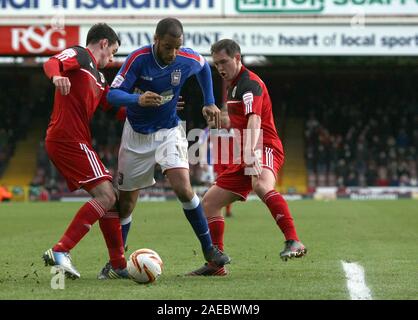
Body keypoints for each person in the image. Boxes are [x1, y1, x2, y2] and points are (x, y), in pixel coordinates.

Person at [105, 17, 230, 275]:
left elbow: (204, 68)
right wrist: (137, 99)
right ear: (156, 40)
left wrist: (209, 100)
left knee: (183, 188)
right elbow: (112, 94)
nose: (173, 53)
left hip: (169, 130)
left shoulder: (186, 58)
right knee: (126, 204)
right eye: (167, 47)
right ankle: (117, 262)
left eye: (177, 47)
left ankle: (209, 249)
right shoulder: (138, 59)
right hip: (136, 135)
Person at [189, 39, 307, 276]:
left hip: (264, 145)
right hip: (246, 151)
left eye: (224, 62)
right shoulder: (233, 87)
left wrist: (251, 152)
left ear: (237, 59)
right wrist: (216, 118)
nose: (220, 68)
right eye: (216, 64)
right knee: (209, 203)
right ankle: (216, 264)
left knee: (261, 185)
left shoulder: (249, 84)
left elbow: (254, 120)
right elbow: (237, 120)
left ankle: (294, 240)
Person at [42, 23, 129, 279]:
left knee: (109, 199)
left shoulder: (100, 78)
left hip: (74, 140)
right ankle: (61, 250)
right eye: (112, 52)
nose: (111, 59)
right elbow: (52, 62)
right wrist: (56, 76)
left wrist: (152, 108)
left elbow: (115, 110)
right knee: (107, 195)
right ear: (103, 43)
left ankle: (119, 264)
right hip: (68, 138)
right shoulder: (80, 56)